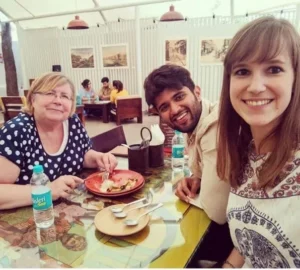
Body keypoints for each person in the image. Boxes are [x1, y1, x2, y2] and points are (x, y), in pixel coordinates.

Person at [217, 17, 300, 268]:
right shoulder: (244, 152)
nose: (255, 87)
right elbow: (248, 245)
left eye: (274, 69)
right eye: (243, 71)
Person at [0, 72, 118, 210]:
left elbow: (83, 154)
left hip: (70, 212)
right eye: (50, 93)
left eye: (65, 96)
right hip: (31, 220)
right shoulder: (17, 130)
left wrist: (98, 157)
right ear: (33, 99)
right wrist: (47, 190)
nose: (58, 100)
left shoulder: (72, 121)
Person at [144, 64, 230, 225]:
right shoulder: (191, 123)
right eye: (164, 107)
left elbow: (217, 212)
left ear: (197, 92)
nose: (175, 110)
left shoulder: (215, 127)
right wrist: (196, 177)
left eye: (179, 97)